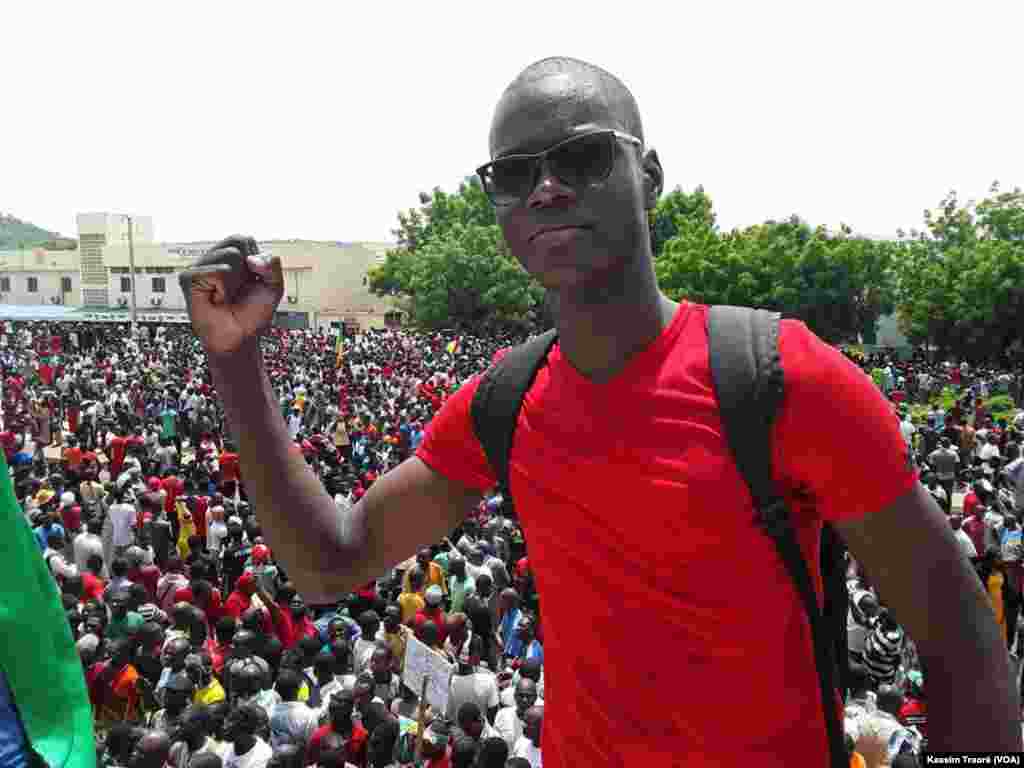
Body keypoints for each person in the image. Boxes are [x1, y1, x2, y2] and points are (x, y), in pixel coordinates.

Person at [183, 60, 1020, 764]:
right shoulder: (500, 406)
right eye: (513, 175)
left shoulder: (787, 380)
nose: (545, 189)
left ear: (649, 175)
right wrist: (236, 362)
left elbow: (962, 641)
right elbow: (330, 563)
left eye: (581, 157)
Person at [268, 669, 318, 750]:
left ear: (276, 690)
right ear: (299, 688)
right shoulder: (309, 715)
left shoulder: (269, 712)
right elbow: (311, 745)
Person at [221, 703, 272, 768]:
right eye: (226, 722)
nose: (224, 727)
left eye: (231, 725)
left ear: (245, 729)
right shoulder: (225, 746)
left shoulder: (263, 755)